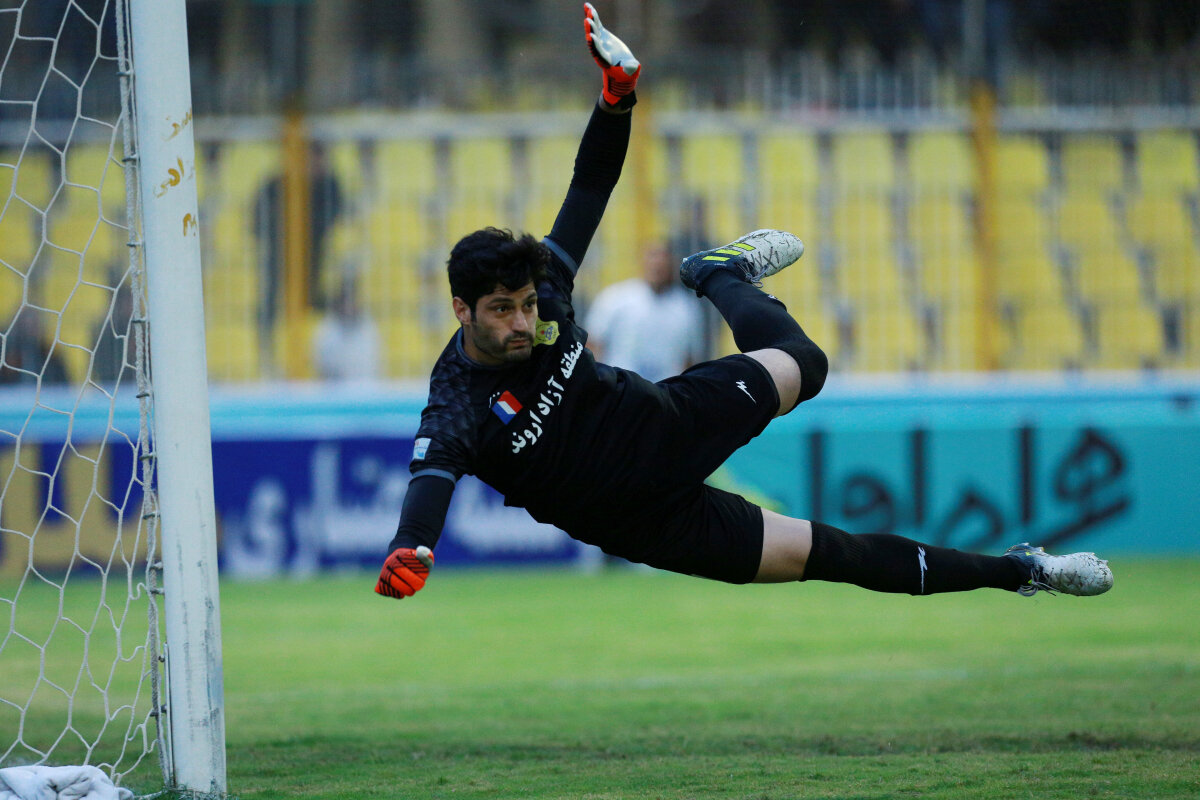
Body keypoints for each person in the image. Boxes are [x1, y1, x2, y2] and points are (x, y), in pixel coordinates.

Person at [374, 4, 1113, 603]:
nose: (521, 321)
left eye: (524, 304)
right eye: (500, 310)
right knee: (833, 555)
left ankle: (718, 274)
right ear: (461, 310)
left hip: (671, 422)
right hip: (646, 523)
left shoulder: (546, 297)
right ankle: (1025, 571)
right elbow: (431, 479)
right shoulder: (456, 404)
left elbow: (590, 187)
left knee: (808, 364)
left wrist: (617, 98)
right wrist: (413, 546)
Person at [585, 243, 705, 382]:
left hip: (665, 390)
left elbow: (690, 358)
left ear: (672, 264)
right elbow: (594, 345)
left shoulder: (686, 307)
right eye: (653, 257)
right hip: (620, 388)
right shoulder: (615, 298)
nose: (657, 264)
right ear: (642, 261)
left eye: (663, 259)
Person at [313, 276, 381, 382]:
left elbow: (374, 362)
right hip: (335, 387)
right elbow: (322, 363)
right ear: (340, 303)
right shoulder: (328, 328)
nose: (349, 307)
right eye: (345, 303)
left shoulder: (368, 326)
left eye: (352, 302)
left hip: (365, 386)